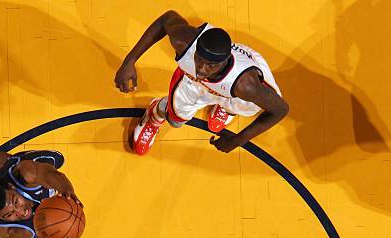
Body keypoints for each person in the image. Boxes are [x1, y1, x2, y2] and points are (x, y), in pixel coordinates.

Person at [114, 10, 289, 155]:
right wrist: (129, 61)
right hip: (198, 86)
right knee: (176, 120)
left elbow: (280, 110)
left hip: (236, 88)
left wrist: (236, 141)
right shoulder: (185, 42)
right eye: (199, 59)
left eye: (210, 65)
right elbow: (166, 19)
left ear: (226, 60)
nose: (202, 69)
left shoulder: (246, 85)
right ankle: (155, 113)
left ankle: (226, 107)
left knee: (247, 107)